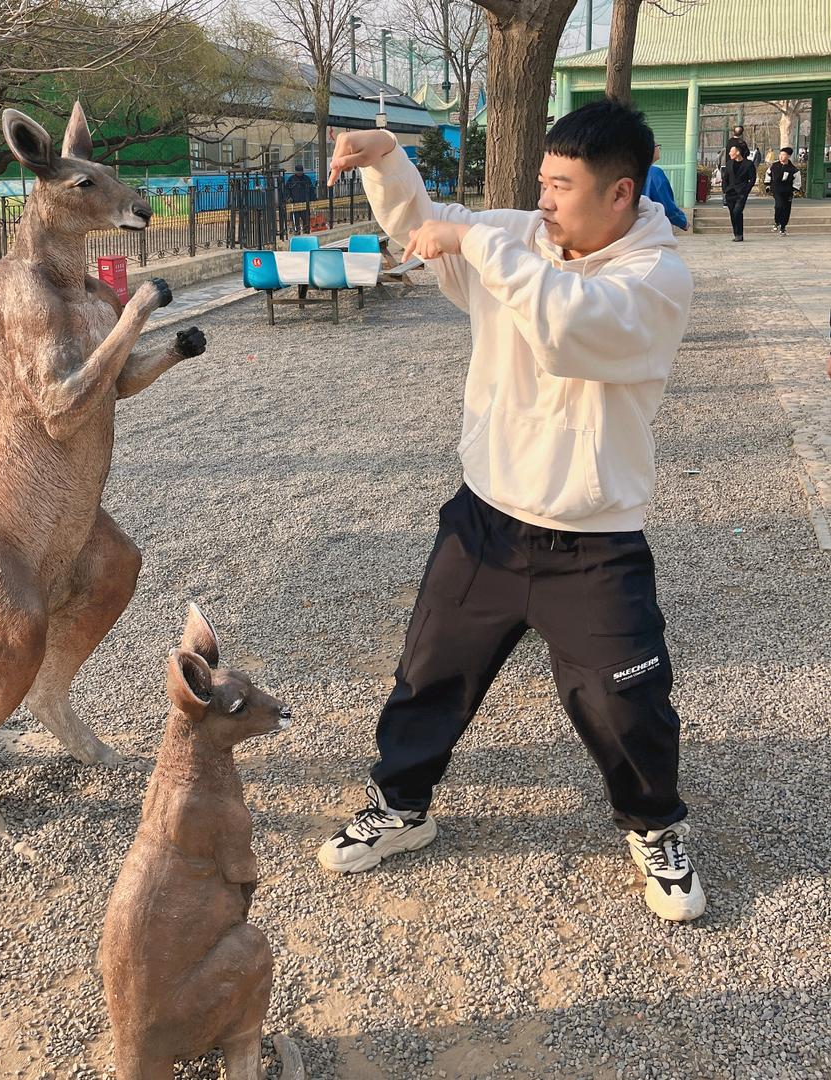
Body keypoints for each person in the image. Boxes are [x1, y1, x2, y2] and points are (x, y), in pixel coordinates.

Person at [317, 99, 705, 923]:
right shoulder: (520, 236)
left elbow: (567, 328)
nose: (543, 200)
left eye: (562, 186)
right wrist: (386, 158)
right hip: (486, 518)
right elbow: (423, 227)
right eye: (541, 181)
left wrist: (480, 242)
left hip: (594, 537)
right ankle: (402, 805)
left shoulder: (656, 280)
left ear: (621, 193)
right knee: (430, 669)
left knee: (625, 701)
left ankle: (654, 825)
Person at [643, 143, 688, 230]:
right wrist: (683, 222)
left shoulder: (630, 171)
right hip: (652, 228)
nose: (659, 149)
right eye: (658, 146)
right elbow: (667, 206)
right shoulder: (654, 173)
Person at [721, 146, 756, 241]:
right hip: (730, 192)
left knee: (737, 211)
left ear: (738, 152)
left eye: (731, 151)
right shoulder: (729, 163)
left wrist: (746, 189)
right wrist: (725, 189)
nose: (729, 153)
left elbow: (752, 179)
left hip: (741, 192)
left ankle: (739, 234)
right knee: (733, 214)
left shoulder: (748, 164)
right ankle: (737, 234)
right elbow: (725, 178)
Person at [768, 147, 800, 234]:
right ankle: (777, 221)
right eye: (780, 154)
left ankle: (783, 226)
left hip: (788, 192)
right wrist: (768, 185)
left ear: (788, 156)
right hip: (777, 190)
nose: (781, 156)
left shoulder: (793, 169)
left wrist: (794, 190)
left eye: (783, 155)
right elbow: (768, 175)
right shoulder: (774, 166)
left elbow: (797, 181)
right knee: (779, 206)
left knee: (786, 209)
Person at [285, 165, 314, 235]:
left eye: (300, 172)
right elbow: (286, 190)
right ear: (295, 172)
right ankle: (297, 231)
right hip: (295, 203)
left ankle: (306, 231)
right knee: (295, 219)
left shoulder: (306, 179)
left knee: (306, 218)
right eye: (298, 172)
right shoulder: (291, 179)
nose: (299, 173)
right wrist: (288, 197)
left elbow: (311, 190)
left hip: (305, 202)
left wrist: (312, 199)